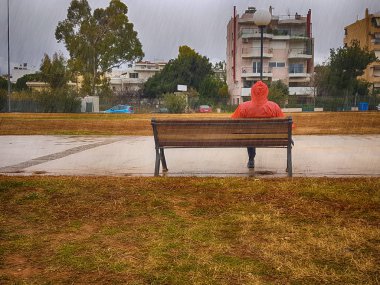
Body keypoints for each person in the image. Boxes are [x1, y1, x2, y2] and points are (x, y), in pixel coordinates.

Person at [231, 80, 284, 168]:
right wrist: (288, 137)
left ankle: (251, 159)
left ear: (252, 92)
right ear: (266, 92)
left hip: (250, 137)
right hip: (270, 138)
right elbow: (284, 123)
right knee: (251, 134)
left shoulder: (244, 107)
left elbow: (232, 122)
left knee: (249, 134)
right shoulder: (274, 106)